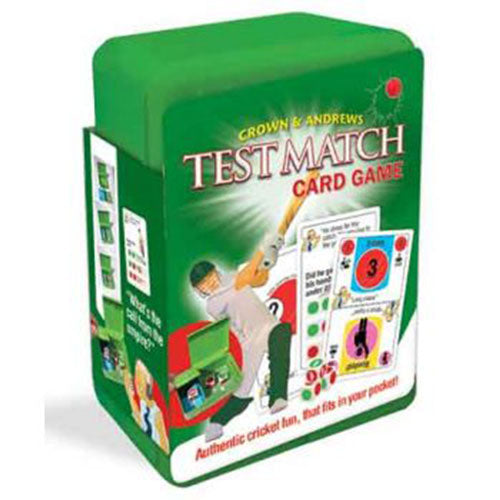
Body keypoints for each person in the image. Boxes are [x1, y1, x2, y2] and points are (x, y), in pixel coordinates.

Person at [190, 233, 292, 442]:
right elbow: (242, 280)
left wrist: (269, 258)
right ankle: (216, 423)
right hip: (249, 340)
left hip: (270, 325)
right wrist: (264, 247)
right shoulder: (213, 304)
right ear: (198, 290)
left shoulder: (232, 276)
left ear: (216, 272)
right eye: (203, 284)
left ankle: (278, 397)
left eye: (210, 277)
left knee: (282, 335)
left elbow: (259, 279)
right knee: (242, 390)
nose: (209, 283)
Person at [123, 360, 169, 453]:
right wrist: (129, 392)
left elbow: (166, 449)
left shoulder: (157, 415)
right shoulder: (143, 404)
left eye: (140, 382)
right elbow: (139, 419)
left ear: (148, 385)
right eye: (136, 381)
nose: (137, 386)